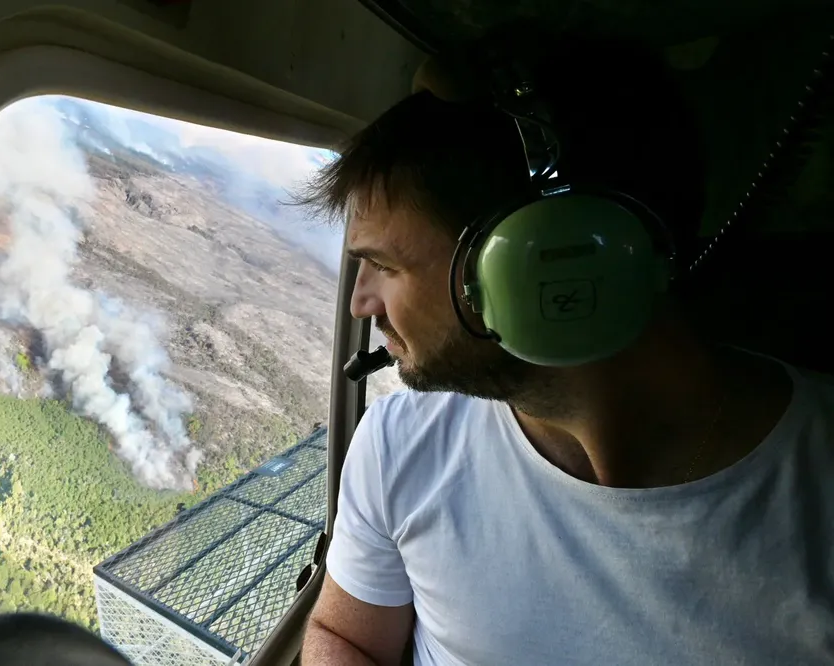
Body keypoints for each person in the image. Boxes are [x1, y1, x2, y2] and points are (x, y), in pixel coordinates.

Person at [296, 24, 834, 666]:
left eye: (383, 265)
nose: (362, 303)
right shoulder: (398, 444)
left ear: (550, 263)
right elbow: (345, 636)